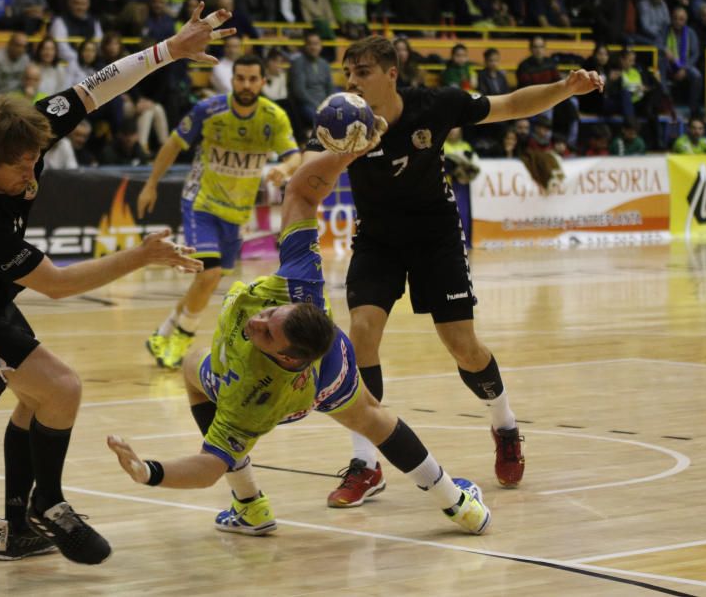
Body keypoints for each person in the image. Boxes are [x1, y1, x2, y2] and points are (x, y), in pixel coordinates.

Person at [0, 2, 232, 565]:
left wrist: (168, 51)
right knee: (62, 387)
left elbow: (91, 89)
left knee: (37, 401)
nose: (31, 178)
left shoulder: (16, 130)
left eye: (37, 162)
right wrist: (142, 254)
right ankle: (47, 504)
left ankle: (15, 531)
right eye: (19, 170)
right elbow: (54, 284)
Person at [106, 147, 492, 538]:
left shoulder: (255, 398)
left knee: (193, 368)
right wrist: (348, 152)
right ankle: (457, 504)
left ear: (286, 358)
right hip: (332, 359)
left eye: (267, 333)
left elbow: (209, 467)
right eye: (271, 314)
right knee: (373, 417)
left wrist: (150, 472)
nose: (258, 321)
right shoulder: (300, 284)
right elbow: (302, 194)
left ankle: (249, 506)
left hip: (298, 389)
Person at [315, 36, 602, 507]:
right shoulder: (343, 118)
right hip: (378, 240)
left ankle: (505, 425)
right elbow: (309, 165)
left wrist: (563, 89)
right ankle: (366, 464)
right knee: (361, 333)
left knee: (464, 348)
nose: (352, 82)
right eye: (348, 74)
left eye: (362, 72)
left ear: (391, 73)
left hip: (436, 237)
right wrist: (312, 162)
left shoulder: (436, 104)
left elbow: (510, 104)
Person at [138, 55, 299, 371]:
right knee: (208, 274)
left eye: (253, 79)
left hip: (237, 212)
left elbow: (295, 155)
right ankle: (182, 338)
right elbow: (172, 145)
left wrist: (284, 167)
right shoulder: (208, 110)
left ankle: (163, 332)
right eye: (240, 78)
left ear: (262, 82)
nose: (246, 85)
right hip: (201, 202)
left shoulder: (274, 117)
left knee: (207, 281)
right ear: (232, 79)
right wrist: (152, 184)